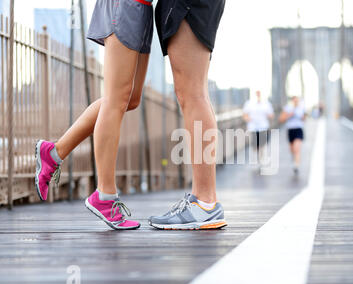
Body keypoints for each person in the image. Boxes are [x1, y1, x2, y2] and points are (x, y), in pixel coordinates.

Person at [35, 0, 227, 231]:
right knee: (116, 98)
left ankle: (54, 153)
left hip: (141, 8)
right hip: (126, 5)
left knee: (129, 98)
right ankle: (104, 195)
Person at [242, 90, 274, 167]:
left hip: (263, 127)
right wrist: (248, 119)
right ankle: (257, 158)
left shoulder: (266, 104)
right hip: (253, 128)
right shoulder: (249, 103)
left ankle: (260, 159)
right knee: (255, 145)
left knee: (262, 144)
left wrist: (268, 115)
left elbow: (271, 115)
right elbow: (244, 115)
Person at [279, 96, 306, 174]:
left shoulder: (301, 108)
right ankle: (294, 159)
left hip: (298, 129)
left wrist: (302, 117)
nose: (296, 102)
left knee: (297, 148)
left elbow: (304, 118)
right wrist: (289, 115)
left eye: (297, 101)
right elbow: (281, 119)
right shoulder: (288, 108)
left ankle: (296, 165)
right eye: (295, 101)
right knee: (292, 149)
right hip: (290, 129)